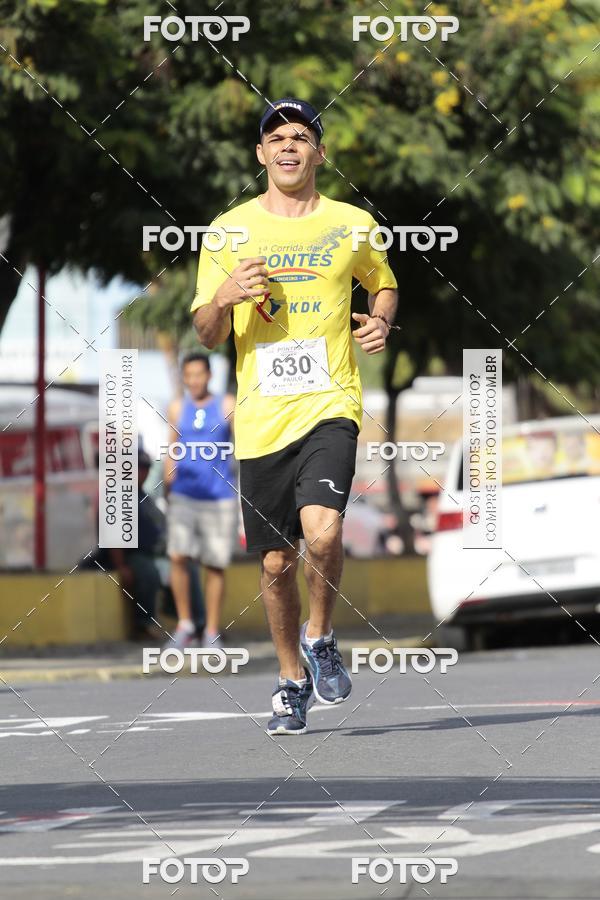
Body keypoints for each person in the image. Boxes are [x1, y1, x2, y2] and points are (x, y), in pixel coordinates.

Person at [191, 98, 398, 735]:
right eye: (276, 137)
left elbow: (382, 281)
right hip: (261, 419)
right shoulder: (227, 232)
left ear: (318, 153)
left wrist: (381, 320)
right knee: (278, 565)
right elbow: (205, 331)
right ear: (261, 154)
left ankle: (321, 635)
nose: (288, 147)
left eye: (301, 137)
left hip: (331, 404)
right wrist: (223, 297)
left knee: (326, 532)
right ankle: (289, 680)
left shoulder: (354, 224)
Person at [164, 351, 237, 649]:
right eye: (189, 375)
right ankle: (185, 625)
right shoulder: (177, 407)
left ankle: (211, 631)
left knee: (214, 564)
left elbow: (242, 444)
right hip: (184, 493)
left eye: (199, 374)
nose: (194, 380)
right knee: (178, 556)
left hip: (219, 496)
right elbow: (171, 445)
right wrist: (168, 480)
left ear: (209, 375)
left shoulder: (228, 405)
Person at [109, 448, 165, 640]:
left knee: (184, 569)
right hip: (131, 555)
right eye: (138, 467)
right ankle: (143, 625)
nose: (143, 472)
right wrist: (121, 566)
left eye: (146, 468)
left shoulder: (144, 496)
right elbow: (112, 537)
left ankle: (194, 623)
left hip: (153, 553)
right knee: (147, 572)